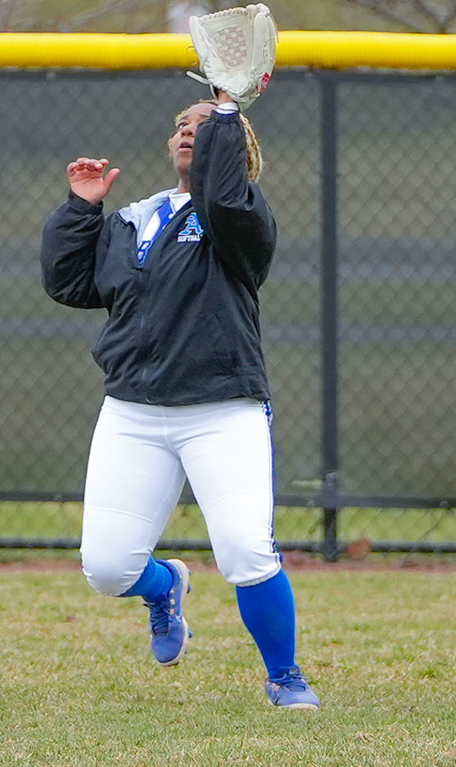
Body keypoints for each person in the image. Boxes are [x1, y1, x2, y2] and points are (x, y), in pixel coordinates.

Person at [40, 88, 318, 710]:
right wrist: (81, 209)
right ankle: (165, 585)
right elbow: (70, 283)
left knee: (246, 550)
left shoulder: (237, 216)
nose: (190, 130)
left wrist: (227, 111)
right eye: (182, 124)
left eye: (206, 124)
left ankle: (285, 676)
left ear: (235, 148)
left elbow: (223, 196)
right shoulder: (135, 219)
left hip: (222, 410)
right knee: (107, 569)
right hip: (133, 412)